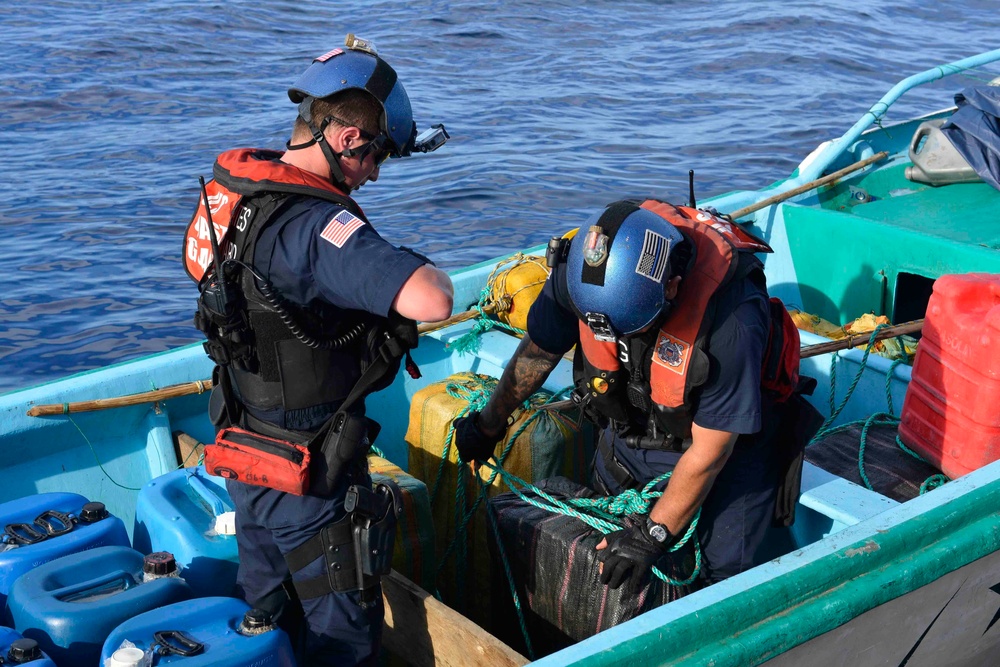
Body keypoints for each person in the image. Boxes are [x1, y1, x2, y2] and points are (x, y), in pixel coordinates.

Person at [182, 35, 454, 666]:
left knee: (269, 619)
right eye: (378, 155)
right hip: (310, 477)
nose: (376, 174)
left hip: (247, 452)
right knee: (344, 641)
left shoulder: (238, 197)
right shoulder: (317, 227)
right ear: (349, 138)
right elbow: (433, 299)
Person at [454, 198, 808, 591]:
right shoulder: (580, 274)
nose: (617, 340)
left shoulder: (732, 322)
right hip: (629, 435)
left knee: (718, 579)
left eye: (630, 329)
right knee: (599, 544)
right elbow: (538, 352)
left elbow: (711, 453)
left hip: (725, 449)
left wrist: (651, 535)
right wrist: (488, 424)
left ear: (672, 287)